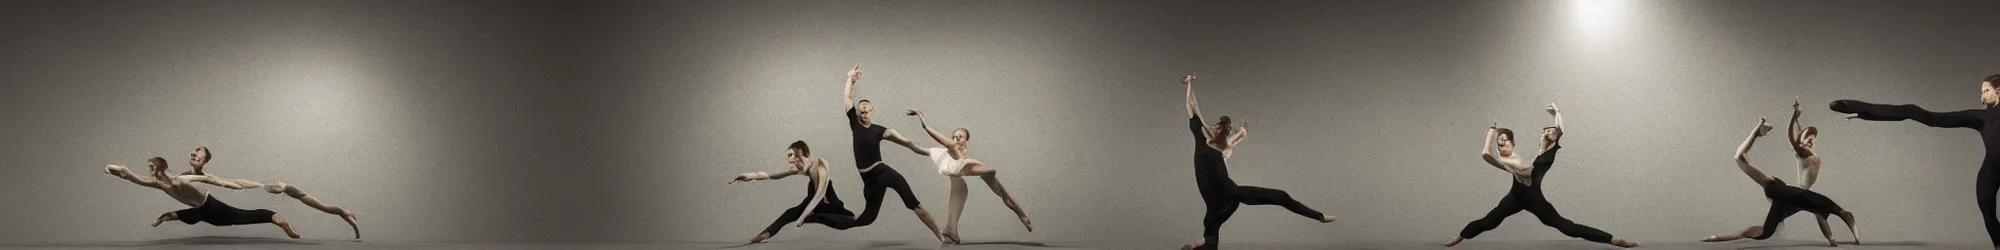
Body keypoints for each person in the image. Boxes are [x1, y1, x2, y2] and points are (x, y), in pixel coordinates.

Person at [1829, 74, 2000, 249]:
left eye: (1986, 91)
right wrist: (1866, 113)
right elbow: (1931, 118)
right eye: (1982, 92)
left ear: (1999, 90)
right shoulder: (1981, 118)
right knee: (1988, 215)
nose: (1982, 97)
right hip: (1990, 172)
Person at [1179, 74, 1337, 250]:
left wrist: (1240, 135)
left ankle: (1319, 216)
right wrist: (1190, 84)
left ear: (1221, 136)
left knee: (1281, 196)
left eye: (1218, 129)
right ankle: (1200, 243)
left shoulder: (1224, 149)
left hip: (1232, 195)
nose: (1213, 127)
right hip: (1215, 206)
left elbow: (1232, 143)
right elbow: (1192, 106)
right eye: (1215, 125)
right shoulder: (1200, 134)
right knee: (1210, 239)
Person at [1446, 103, 1637, 248]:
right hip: (1514, 198)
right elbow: (1486, 154)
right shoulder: (1513, 160)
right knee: (1489, 222)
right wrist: (1491, 132)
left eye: (1503, 141)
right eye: (1500, 143)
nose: (1500, 145)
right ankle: (1461, 236)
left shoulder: (1546, 150)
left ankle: (1614, 240)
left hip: (1535, 199)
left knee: (1566, 227)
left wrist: (1557, 113)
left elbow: (1560, 130)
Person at [1699, 116, 1859, 246]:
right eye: (1807, 139)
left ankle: (1836, 226)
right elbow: (1794, 139)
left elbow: (1798, 137)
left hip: (1789, 193)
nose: (1810, 142)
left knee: (1813, 207)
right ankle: (1839, 220)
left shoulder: (1807, 156)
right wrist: (1793, 117)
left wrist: (1796, 119)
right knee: (1807, 209)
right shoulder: (1801, 155)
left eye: (1812, 139)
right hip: (1787, 192)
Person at [839, 65, 947, 243]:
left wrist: (930, 152)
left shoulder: (881, 131)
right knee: (867, 218)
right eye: (861, 110)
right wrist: (850, 78)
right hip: (869, 181)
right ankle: (825, 218)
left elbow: (908, 143)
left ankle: (942, 237)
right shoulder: (854, 124)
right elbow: (847, 97)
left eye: (867, 110)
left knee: (913, 203)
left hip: (882, 172)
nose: (864, 112)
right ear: (858, 113)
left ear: (872, 112)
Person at [901, 108, 1031, 244]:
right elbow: (926, 141)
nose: (956, 138)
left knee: (999, 188)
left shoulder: (960, 150)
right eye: (954, 136)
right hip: (956, 167)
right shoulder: (952, 147)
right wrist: (921, 124)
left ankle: (1020, 214)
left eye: (960, 137)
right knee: (987, 172)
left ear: (966, 141)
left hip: (963, 168)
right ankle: (952, 230)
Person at [177, 146, 362, 239]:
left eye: (199, 153)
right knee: (325, 206)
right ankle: (344, 213)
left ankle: (344, 213)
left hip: (284, 189)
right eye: (195, 152)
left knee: (322, 205)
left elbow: (232, 182)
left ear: (205, 160)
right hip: (277, 189)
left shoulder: (285, 188)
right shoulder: (190, 175)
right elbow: (232, 182)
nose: (195, 154)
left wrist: (259, 186)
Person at [103, 157, 301, 238]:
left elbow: (214, 180)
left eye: (152, 167)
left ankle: (276, 218)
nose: (150, 171)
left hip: (212, 207)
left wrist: (239, 185)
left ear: (161, 168)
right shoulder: (158, 183)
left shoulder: (183, 179)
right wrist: (122, 172)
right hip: (202, 211)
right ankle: (163, 218)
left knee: (243, 216)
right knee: (184, 215)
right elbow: (137, 179)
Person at [729, 141, 861, 244]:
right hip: (813, 199)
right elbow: (772, 175)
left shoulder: (820, 164)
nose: (790, 160)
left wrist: (804, 216)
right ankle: (766, 234)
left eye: (792, 156)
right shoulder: (800, 168)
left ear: (803, 153)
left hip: (829, 202)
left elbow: (820, 193)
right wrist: (750, 176)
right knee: (789, 213)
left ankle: (818, 217)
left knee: (850, 218)